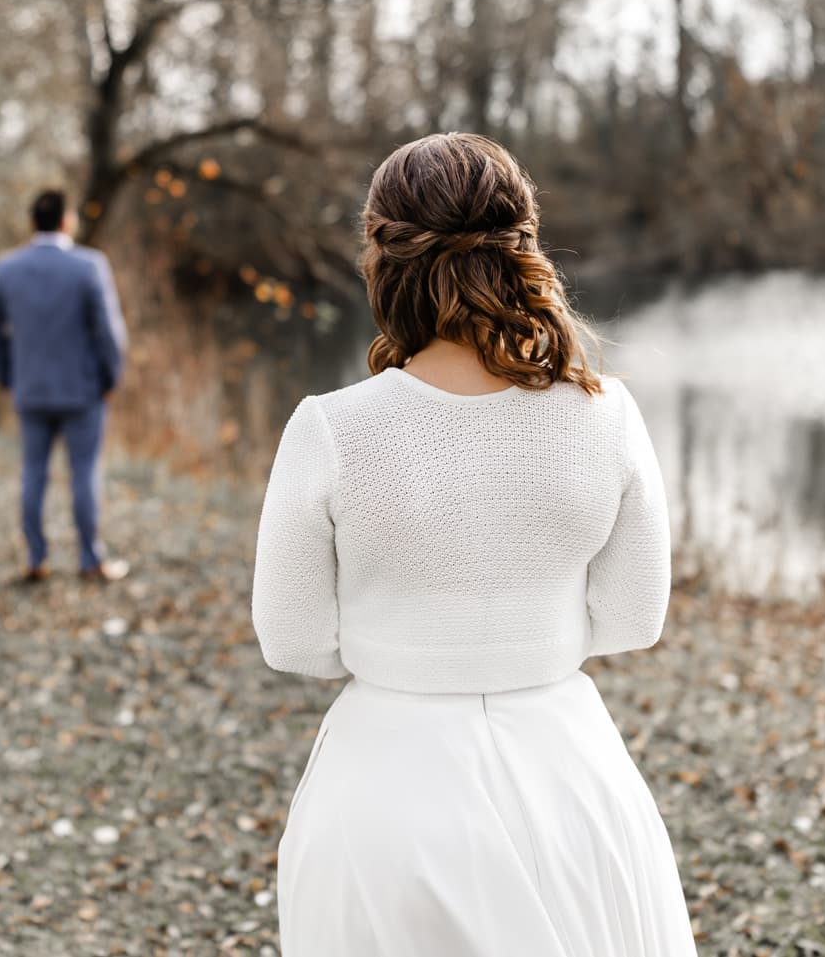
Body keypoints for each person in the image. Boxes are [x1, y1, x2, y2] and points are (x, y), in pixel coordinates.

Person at [251, 133, 696, 956]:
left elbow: (294, 642)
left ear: (382, 256)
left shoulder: (330, 428)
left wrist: (414, 645)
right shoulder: (607, 416)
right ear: (523, 245)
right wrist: (523, 641)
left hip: (385, 784)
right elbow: (635, 618)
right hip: (567, 775)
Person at [0, 189, 130, 583]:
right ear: (66, 220)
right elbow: (109, 332)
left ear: (33, 221)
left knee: (33, 471)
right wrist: (111, 378)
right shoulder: (89, 266)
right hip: (82, 391)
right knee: (83, 473)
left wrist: (7, 374)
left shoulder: (7, 268)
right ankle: (89, 560)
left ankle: (36, 558)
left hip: (29, 388)